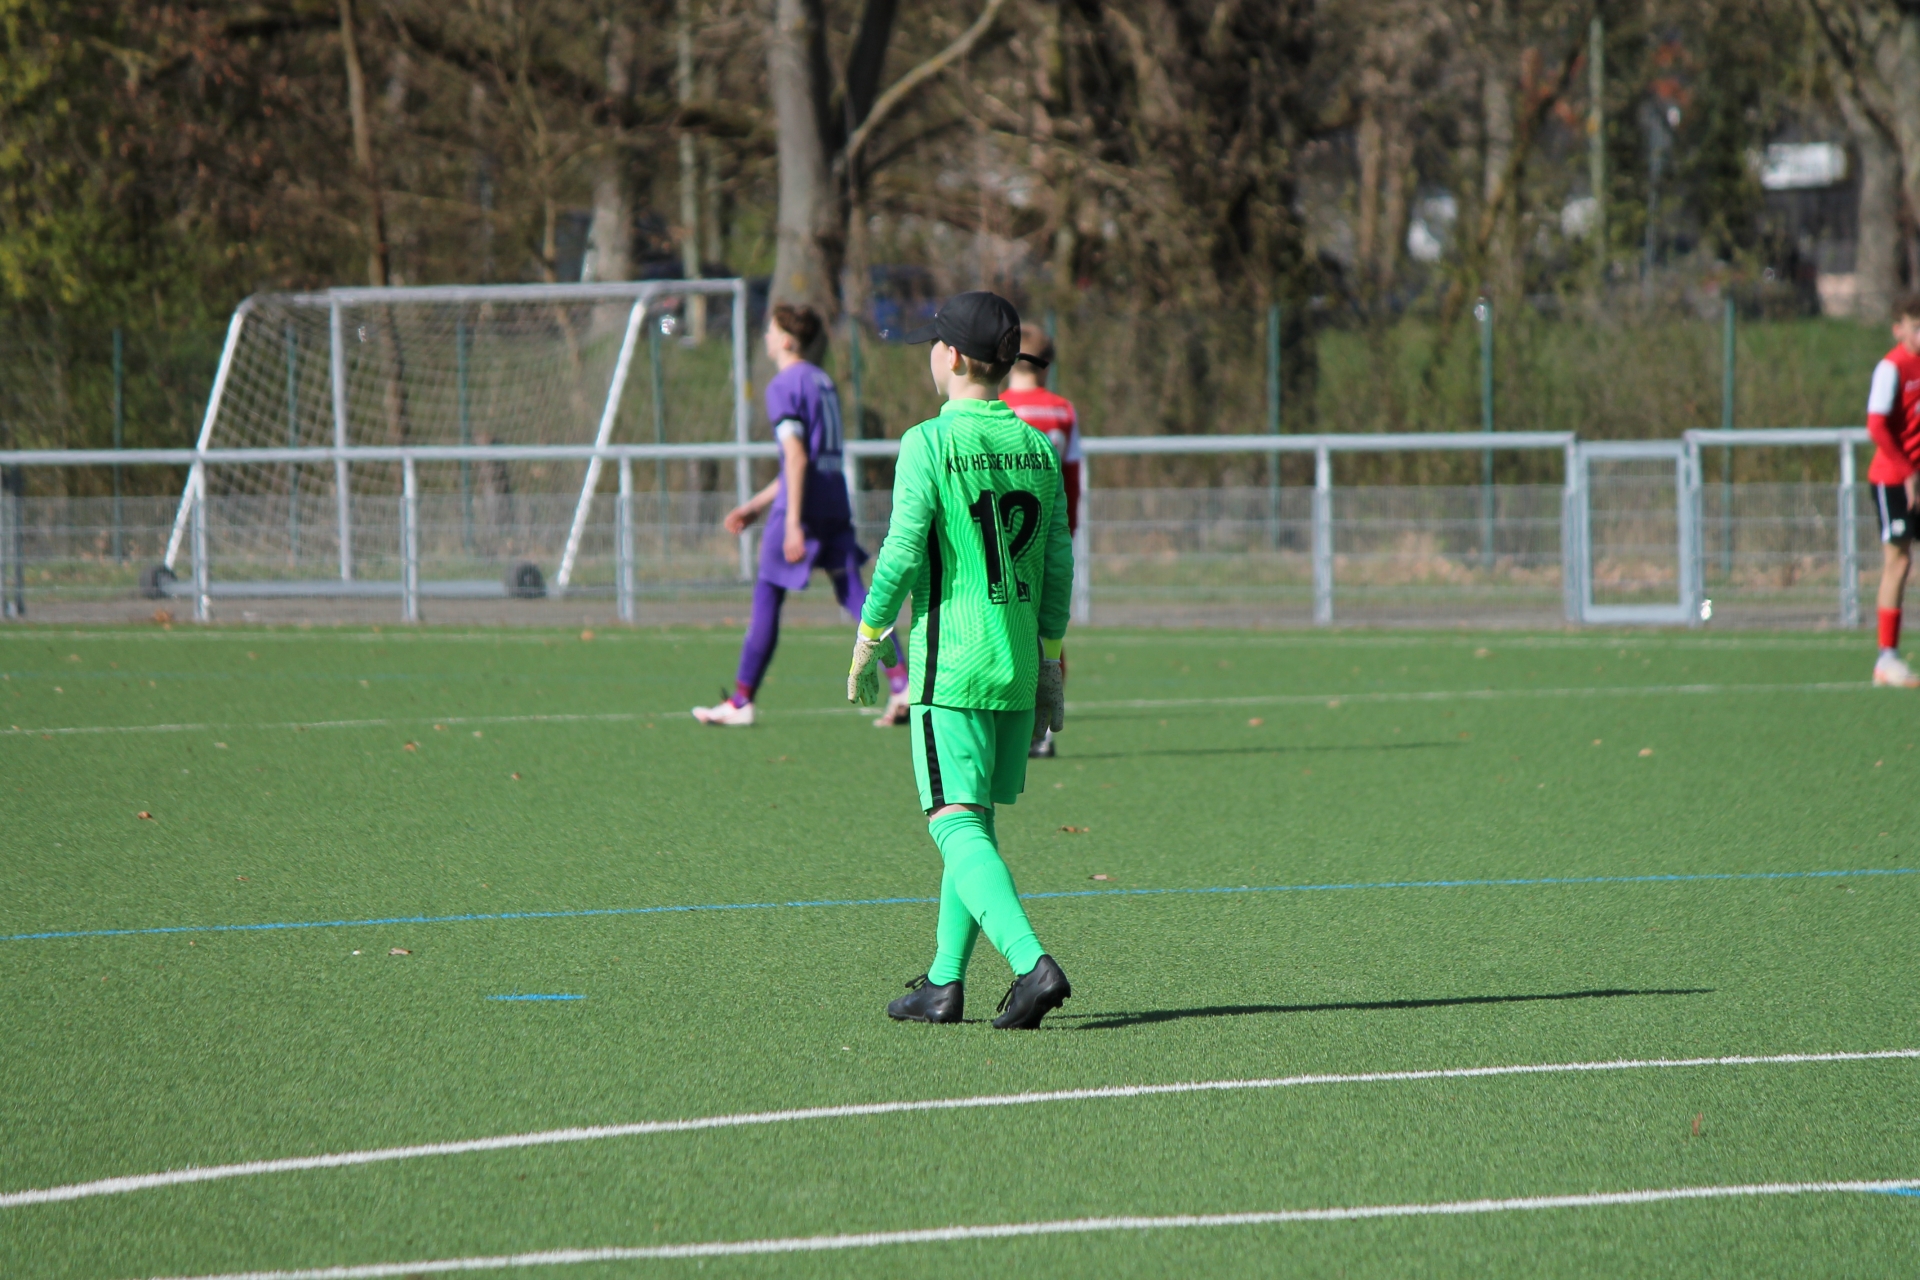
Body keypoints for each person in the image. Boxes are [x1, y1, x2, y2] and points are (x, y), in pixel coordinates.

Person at [847, 291, 1075, 1030]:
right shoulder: (1037, 447)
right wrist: (1049, 661)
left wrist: (870, 633)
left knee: (953, 824)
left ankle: (1032, 965)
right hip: (1014, 664)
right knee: (972, 819)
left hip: (954, 668)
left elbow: (901, 552)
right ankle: (944, 984)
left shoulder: (928, 441)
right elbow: (1059, 566)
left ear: (949, 356)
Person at [692, 305, 906, 725]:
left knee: (767, 595)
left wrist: (791, 523)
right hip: (833, 498)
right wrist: (757, 504)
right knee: (856, 595)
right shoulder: (822, 381)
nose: (767, 337)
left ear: (788, 340)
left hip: (803, 507)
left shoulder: (783, 384)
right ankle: (902, 685)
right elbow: (806, 458)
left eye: (771, 331)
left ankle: (741, 701)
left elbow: (795, 457)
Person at [1000, 322, 1080, 757]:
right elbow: (1072, 475)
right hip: (1049, 535)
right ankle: (1043, 731)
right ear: (1047, 365)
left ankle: (1004, 722)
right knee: (1048, 629)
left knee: (1003, 624)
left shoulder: (996, 408)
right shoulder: (1062, 411)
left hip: (999, 538)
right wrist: (1070, 528)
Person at [1865, 294, 1920, 688]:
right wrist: (1906, 472)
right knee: (1898, 561)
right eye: (1916, 327)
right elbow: (1876, 426)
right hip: (1892, 479)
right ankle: (1886, 658)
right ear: (1898, 329)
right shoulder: (1891, 367)